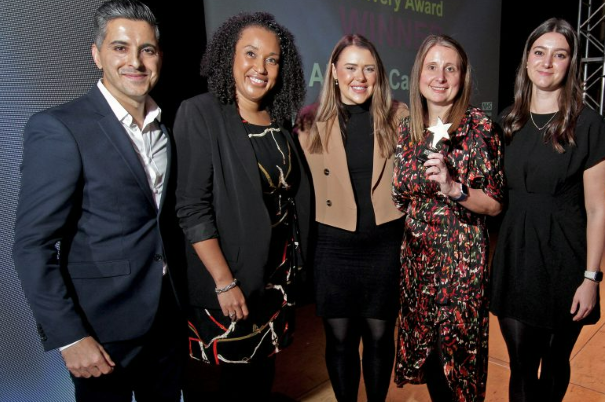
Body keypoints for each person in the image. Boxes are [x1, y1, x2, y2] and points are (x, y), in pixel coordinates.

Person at [12, 1, 184, 400]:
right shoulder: (59, 128)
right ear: (97, 55)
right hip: (102, 332)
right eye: (120, 48)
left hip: (168, 320)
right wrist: (70, 338)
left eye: (147, 50)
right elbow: (32, 245)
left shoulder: (168, 128)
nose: (135, 62)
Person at [173, 12, 310, 400]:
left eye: (272, 59)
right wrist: (224, 281)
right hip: (230, 280)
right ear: (227, 58)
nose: (261, 68)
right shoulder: (200, 113)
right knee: (231, 388)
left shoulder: (279, 119)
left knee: (261, 379)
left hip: (276, 277)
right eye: (250, 54)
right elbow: (192, 209)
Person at [490, 18, 605, 402]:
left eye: (559, 55)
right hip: (515, 260)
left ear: (570, 64)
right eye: (539, 53)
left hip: (566, 263)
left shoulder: (589, 126)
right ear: (527, 62)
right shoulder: (507, 122)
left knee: (555, 360)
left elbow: (598, 210)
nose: (547, 62)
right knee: (521, 367)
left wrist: (591, 278)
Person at [393, 34, 504, 402]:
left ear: (463, 76)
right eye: (432, 67)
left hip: (459, 268)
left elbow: (495, 204)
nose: (440, 76)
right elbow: (400, 195)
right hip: (417, 264)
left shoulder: (479, 128)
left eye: (450, 68)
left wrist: (454, 188)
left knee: (456, 367)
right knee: (429, 360)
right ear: (419, 74)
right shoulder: (407, 129)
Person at [297, 34, 407, 402]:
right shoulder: (309, 123)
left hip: (385, 247)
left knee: (379, 337)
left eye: (368, 68)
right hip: (333, 248)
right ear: (333, 71)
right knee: (340, 340)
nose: (359, 77)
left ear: (379, 74)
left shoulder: (399, 117)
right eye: (350, 67)